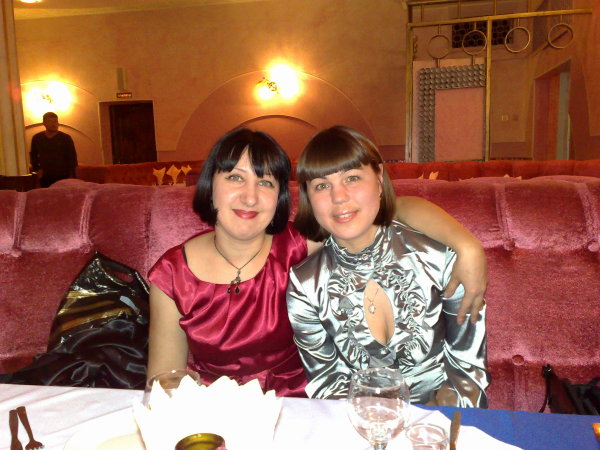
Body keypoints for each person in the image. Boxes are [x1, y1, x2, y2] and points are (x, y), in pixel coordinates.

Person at [147, 127, 488, 398]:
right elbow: (163, 384)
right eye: (235, 177)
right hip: (217, 416)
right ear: (210, 186)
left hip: (300, 409)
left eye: (265, 182)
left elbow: (381, 211)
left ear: (280, 196)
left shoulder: (298, 245)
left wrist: (467, 245)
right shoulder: (173, 274)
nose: (250, 197)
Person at [287, 125, 490, 406]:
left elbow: (467, 370)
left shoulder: (440, 258)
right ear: (309, 197)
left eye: (352, 178)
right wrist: (371, 422)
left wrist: (438, 419)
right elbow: (326, 380)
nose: (339, 197)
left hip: (442, 420)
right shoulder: (305, 284)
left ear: (379, 178)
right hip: (359, 420)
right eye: (322, 185)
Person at [30, 112, 78, 188]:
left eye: (55, 121)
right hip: (45, 176)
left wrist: (71, 175)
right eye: (50, 121)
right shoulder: (37, 138)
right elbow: (33, 156)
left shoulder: (66, 138)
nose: (53, 124)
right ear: (44, 123)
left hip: (63, 175)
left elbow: (72, 157)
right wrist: (37, 169)